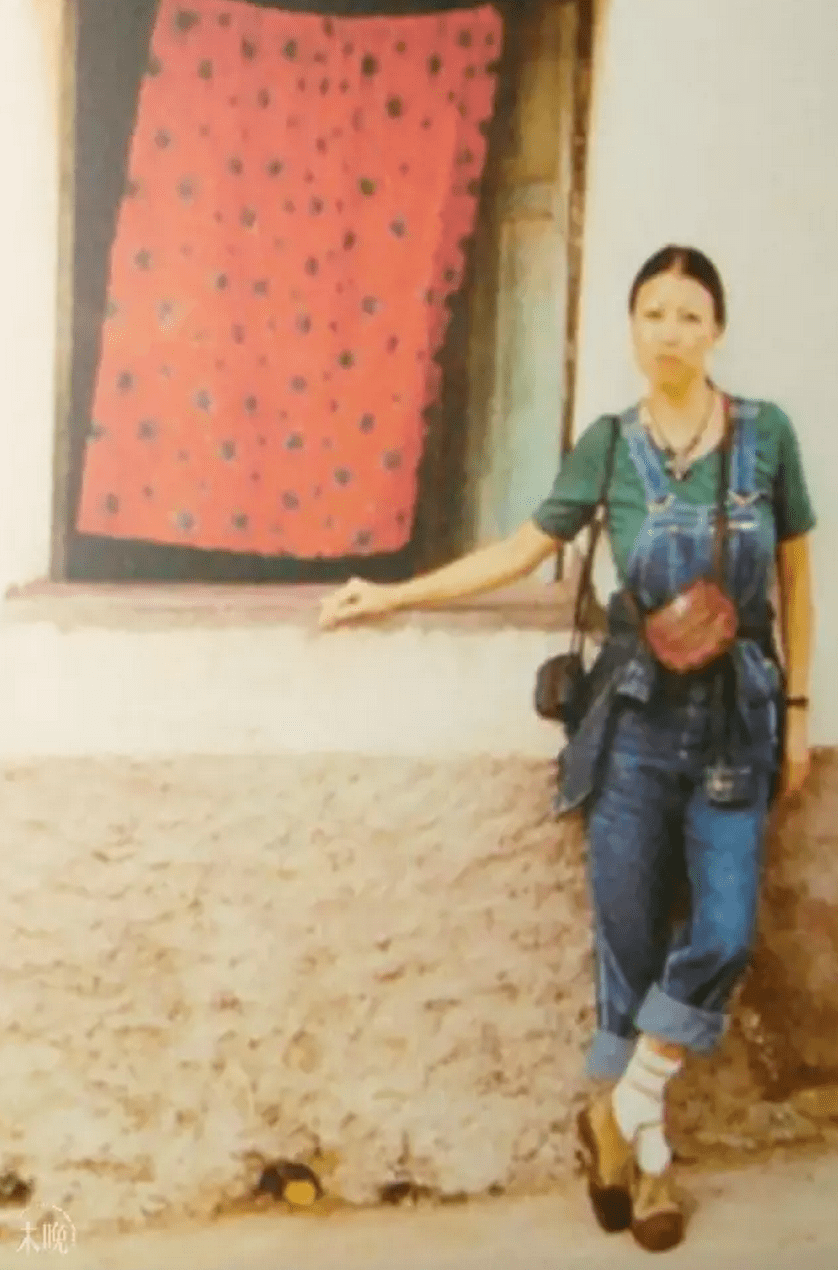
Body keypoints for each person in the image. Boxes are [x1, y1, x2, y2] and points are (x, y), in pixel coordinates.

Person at [318, 245, 815, 1253]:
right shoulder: (608, 445)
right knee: (627, 947)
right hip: (631, 723)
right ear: (630, 329)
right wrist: (396, 592)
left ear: (716, 329)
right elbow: (522, 549)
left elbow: (798, 580)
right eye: (652, 313)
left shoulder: (765, 436)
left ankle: (615, 1109)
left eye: (689, 315)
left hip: (736, 724)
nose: (669, 332)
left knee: (722, 932)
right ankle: (650, 1162)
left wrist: (799, 711)